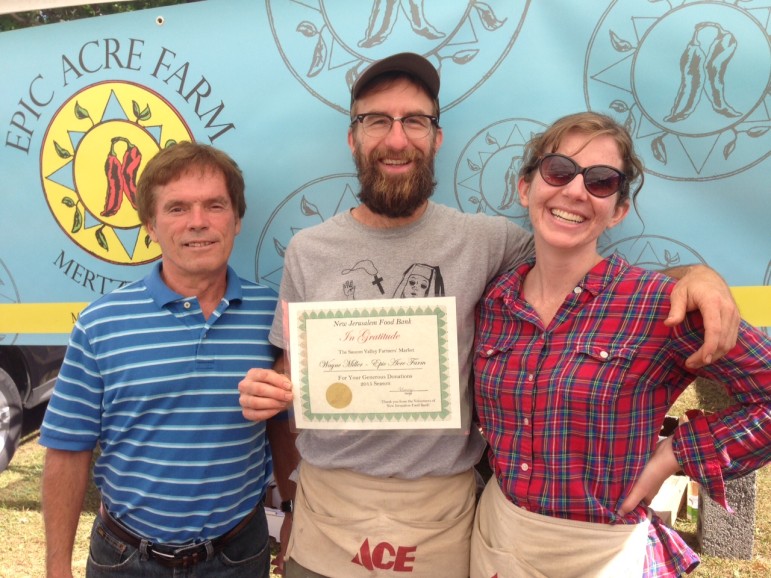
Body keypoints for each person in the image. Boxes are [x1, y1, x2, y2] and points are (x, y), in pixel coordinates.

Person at [238, 54, 741, 578]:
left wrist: (699, 276)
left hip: (440, 520)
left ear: (437, 138)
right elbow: (293, 366)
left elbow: (584, 261)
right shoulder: (306, 250)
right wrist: (273, 386)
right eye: (376, 121)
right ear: (353, 138)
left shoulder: (490, 242)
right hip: (327, 515)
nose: (396, 138)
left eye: (415, 120)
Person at [471, 111, 771, 578]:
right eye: (558, 171)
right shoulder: (492, 301)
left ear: (618, 210)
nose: (574, 191)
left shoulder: (659, 306)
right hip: (499, 540)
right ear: (526, 187)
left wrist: (673, 456)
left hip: (603, 551)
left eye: (601, 181)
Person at [40, 141, 295, 578]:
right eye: (177, 208)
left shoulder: (274, 314)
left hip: (238, 555)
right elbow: (67, 449)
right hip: (124, 558)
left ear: (237, 220)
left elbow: (282, 424)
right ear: (151, 227)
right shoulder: (100, 324)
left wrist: (291, 512)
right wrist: (56, 566)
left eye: (215, 205)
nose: (199, 222)